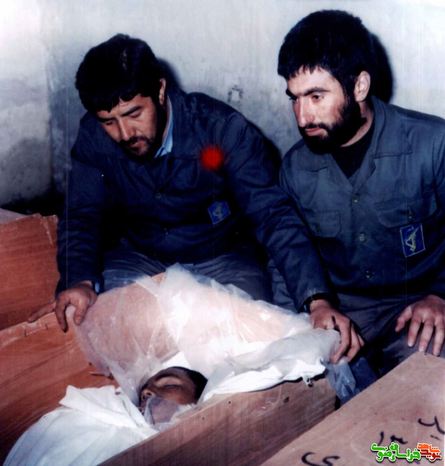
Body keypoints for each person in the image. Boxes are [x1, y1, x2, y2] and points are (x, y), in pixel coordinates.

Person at [30, 34, 307, 337]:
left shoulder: (222, 128)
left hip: (222, 258)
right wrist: (80, 280)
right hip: (139, 257)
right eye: (109, 122)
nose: (125, 133)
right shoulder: (93, 135)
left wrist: (315, 297)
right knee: (97, 320)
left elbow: (272, 214)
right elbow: (81, 214)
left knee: (242, 331)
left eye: (134, 114)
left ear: (160, 90)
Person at [276, 9, 445, 376]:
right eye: (295, 98)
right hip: (341, 310)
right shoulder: (295, 168)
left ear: (360, 86)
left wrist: (440, 296)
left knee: (431, 392)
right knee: (296, 385)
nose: (302, 117)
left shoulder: (433, 144)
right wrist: (314, 305)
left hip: (418, 305)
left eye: (316, 96)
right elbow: (287, 252)